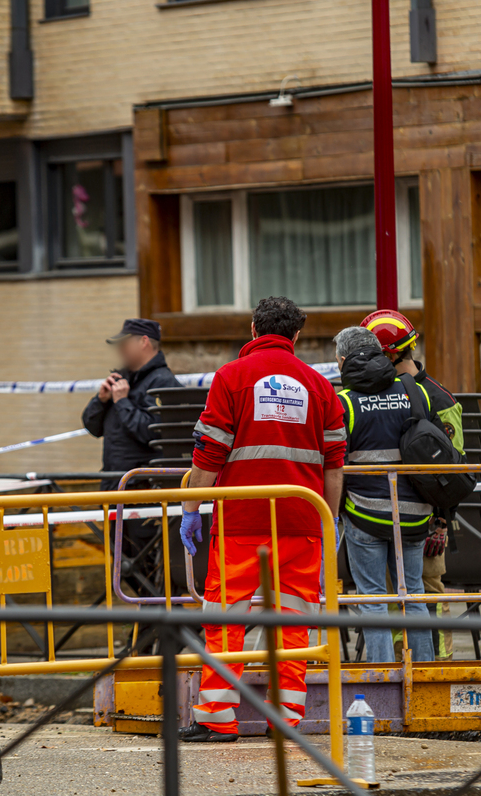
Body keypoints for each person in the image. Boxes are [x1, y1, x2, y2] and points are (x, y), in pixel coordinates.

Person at [178, 296, 346, 742]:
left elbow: (209, 455)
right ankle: (286, 721)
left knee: (225, 620)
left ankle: (217, 718)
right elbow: (334, 465)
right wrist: (326, 521)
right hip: (303, 520)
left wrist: (191, 509)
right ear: (295, 335)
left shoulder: (231, 378)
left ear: (253, 329)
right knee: (293, 624)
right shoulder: (319, 385)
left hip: (242, 521)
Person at [361, 309, 460, 659]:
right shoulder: (395, 392)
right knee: (393, 598)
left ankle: (437, 671)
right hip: (391, 517)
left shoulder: (437, 398)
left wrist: (441, 522)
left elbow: (453, 467)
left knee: (427, 592)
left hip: (426, 521)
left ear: (385, 354)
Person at [333, 326, 435, 664]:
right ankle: (422, 677)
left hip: (365, 515)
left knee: (372, 600)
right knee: (414, 597)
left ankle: (379, 681)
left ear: (344, 361)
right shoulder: (411, 390)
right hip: (415, 512)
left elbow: (334, 464)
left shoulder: (344, 403)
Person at [81, 318, 181, 486]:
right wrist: (101, 400)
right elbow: (92, 427)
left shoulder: (163, 382)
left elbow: (153, 433)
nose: (120, 350)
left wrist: (122, 402)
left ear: (144, 342)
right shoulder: (123, 379)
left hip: (142, 488)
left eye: (125, 344)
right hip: (114, 482)